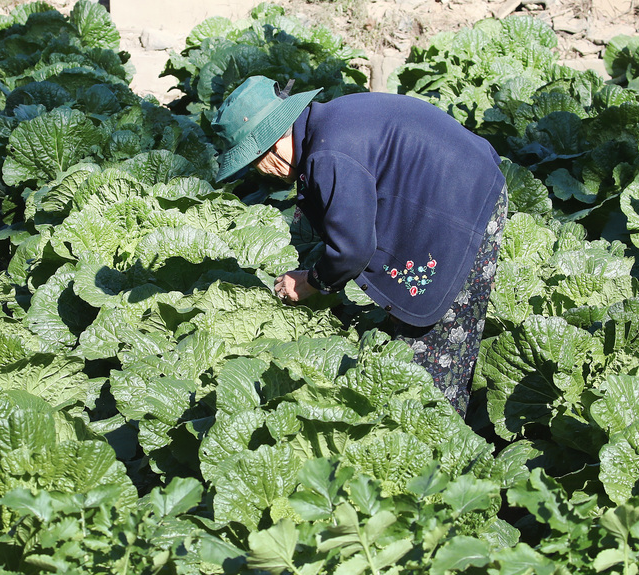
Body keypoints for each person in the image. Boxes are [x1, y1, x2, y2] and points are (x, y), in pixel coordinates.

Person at [211, 76, 507, 416]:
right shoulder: (325, 126)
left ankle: (441, 443)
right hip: (454, 186)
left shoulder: (329, 153)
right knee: (418, 337)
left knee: (437, 347)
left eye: (257, 161)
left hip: (467, 202)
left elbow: (353, 248)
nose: (264, 172)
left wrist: (312, 281)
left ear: (275, 142)